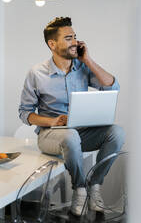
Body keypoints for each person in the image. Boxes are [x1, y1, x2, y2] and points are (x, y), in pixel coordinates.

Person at [19, 17, 125, 216]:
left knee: (117, 132)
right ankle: (80, 188)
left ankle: (95, 186)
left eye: (75, 37)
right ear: (52, 44)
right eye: (68, 38)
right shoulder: (36, 73)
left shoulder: (82, 68)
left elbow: (113, 86)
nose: (75, 42)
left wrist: (88, 60)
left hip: (81, 133)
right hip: (51, 135)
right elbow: (25, 113)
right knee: (70, 136)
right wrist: (53, 121)